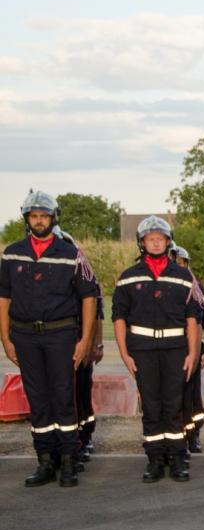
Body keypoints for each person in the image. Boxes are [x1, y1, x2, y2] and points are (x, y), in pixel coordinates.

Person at [0, 191, 97, 488]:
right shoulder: (12, 253)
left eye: (43, 216)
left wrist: (85, 340)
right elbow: (4, 297)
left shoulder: (71, 254)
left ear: (53, 218)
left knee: (63, 396)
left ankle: (68, 460)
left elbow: (89, 297)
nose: (39, 221)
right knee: (38, 399)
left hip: (61, 333)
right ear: (27, 219)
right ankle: (45, 460)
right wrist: (6, 338)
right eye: (33, 216)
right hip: (25, 335)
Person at [112, 216, 201, 482]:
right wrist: (124, 353)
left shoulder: (184, 276)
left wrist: (193, 353)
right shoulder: (128, 277)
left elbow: (192, 319)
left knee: (173, 404)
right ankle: (154, 459)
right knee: (151, 405)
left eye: (160, 238)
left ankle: (176, 457)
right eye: (150, 239)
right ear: (142, 243)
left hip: (175, 347)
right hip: (142, 348)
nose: (155, 242)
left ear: (168, 241)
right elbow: (119, 317)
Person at [55, 228, 102, 473]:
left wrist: (94, 345)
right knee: (63, 396)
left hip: (79, 341)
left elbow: (97, 317)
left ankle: (83, 439)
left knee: (81, 394)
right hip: (60, 341)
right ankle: (64, 445)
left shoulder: (85, 276)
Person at [172, 245, 204, 455]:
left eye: (182, 262)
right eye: (176, 262)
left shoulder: (197, 288)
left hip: (194, 348)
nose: (179, 266)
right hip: (173, 346)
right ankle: (178, 435)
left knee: (193, 394)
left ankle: (194, 435)